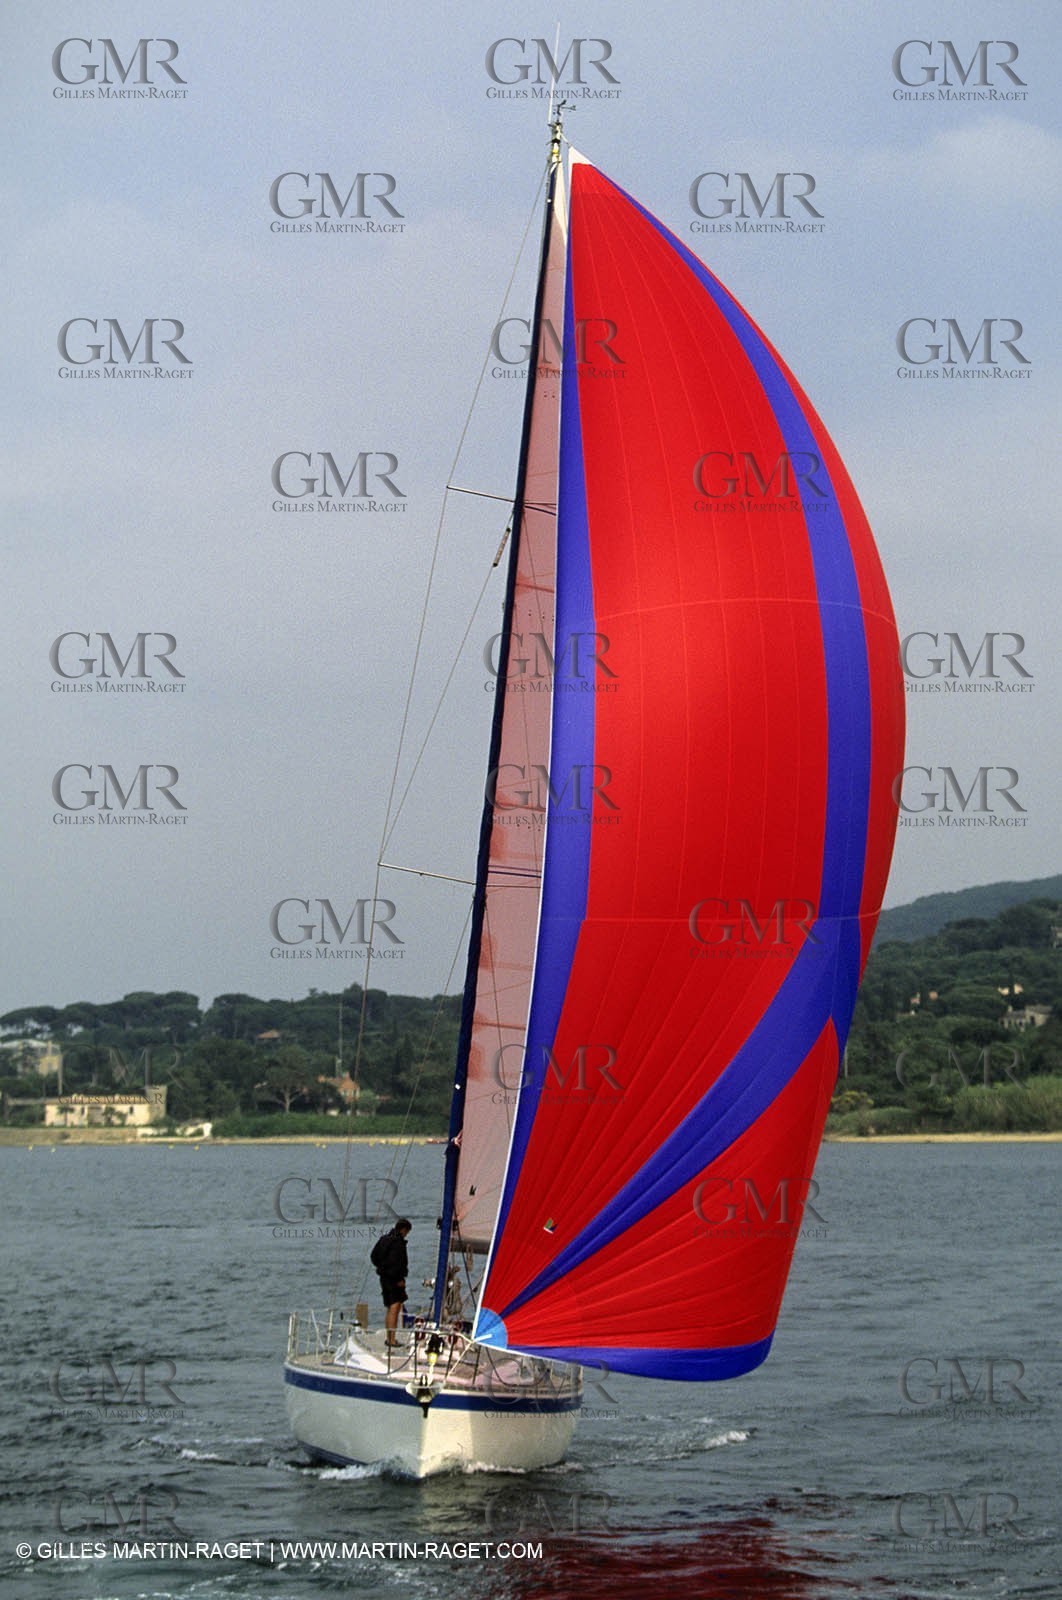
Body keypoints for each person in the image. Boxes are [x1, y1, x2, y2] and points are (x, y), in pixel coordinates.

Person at [371, 1219, 411, 1345]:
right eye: (407, 1232)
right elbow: (397, 1262)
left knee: (390, 1306)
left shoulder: (384, 1239)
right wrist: (399, 1279)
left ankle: (389, 1337)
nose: (406, 1235)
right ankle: (392, 1339)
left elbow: (373, 1256)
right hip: (394, 1279)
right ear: (403, 1230)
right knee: (395, 1306)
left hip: (384, 1277)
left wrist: (381, 1268)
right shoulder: (397, 1243)